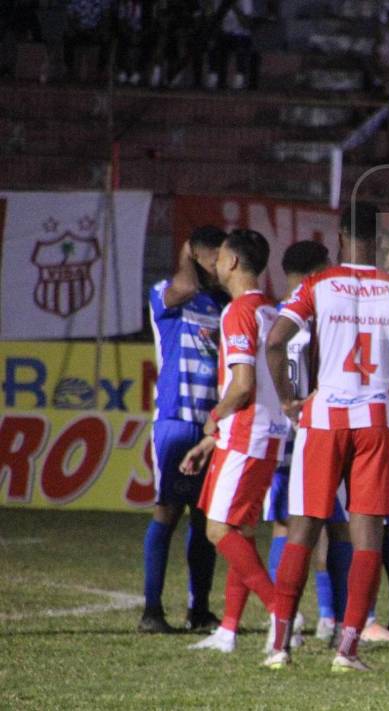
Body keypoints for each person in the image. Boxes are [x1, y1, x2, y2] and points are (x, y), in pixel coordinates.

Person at [264, 202, 389, 672]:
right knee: (368, 534)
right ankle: (347, 650)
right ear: (380, 240)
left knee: (303, 527)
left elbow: (274, 342)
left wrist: (291, 398)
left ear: (341, 238)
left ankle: (279, 646)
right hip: (374, 414)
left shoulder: (317, 285)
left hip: (325, 412)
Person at [179, 229, 286, 653]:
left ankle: (282, 610)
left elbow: (241, 386)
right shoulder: (272, 313)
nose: (215, 263)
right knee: (239, 529)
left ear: (234, 263)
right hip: (263, 433)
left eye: (220, 256)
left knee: (218, 529)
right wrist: (213, 441)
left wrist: (213, 420)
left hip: (246, 431)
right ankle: (228, 629)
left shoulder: (239, 312)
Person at [260, 241, 351, 645]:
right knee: (335, 526)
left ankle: (287, 620)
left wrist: (285, 403)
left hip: (283, 432)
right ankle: (333, 618)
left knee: (287, 525)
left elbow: (275, 358)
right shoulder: (319, 312)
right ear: (323, 268)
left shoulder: (279, 312)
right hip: (319, 428)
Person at [140, 225, 227, 634]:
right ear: (194, 256)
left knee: (205, 519)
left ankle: (200, 609)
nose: (221, 267)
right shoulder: (166, 293)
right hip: (176, 421)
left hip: (214, 426)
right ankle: (152, 611)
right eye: (214, 259)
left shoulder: (224, 304)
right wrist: (189, 254)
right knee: (167, 513)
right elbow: (182, 287)